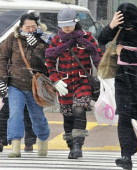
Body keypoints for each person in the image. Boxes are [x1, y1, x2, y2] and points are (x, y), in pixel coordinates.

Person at [98, 3, 137, 170]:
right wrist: (111, 26)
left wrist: (122, 52)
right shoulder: (117, 27)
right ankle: (126, 156)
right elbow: (101, 40)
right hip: (123, 81)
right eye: (124, 25)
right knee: (124, 119)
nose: (128, 28)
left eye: (130, 25)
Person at [45, 8, 102, 159]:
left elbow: (98, 57)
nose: (67, 28)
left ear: (75, 22)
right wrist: (55, 80)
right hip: (64, 84)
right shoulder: (57, 40)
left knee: (79, 110)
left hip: (82, 81)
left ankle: (78, 145)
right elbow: (49, 61)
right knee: (68, 117)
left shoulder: (86, 37)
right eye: (63, 25)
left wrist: (104, 75)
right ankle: (70, 145)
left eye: (69, 24)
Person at [0, 12, 51, 158]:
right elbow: (1, 59)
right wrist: (1, 79)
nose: (31, 29)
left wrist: (37, 47)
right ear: (21, 26)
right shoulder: (13, 39)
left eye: (34, 26)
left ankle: (43, 142)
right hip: (15, 84)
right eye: (28, 27)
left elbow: (49, 60)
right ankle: (15, 147)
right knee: (15, 114)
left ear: (38, 26)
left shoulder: (44, 38)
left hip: (36, 85)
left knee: (37, 116)